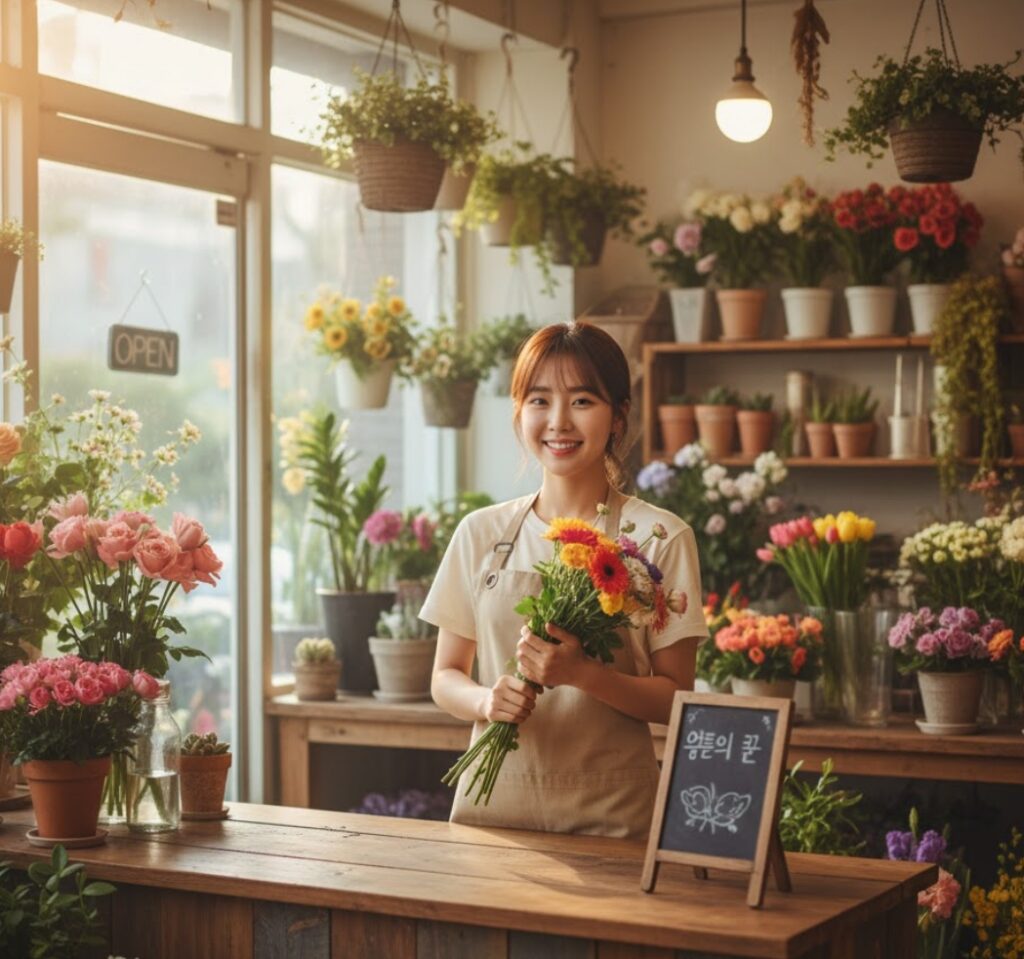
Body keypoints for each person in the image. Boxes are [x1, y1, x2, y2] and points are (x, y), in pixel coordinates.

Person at [420, 320, 708, 839]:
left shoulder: (659, 537)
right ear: (518, 411)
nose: (558, 422)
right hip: (490, 819)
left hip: (613, 819)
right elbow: (445, 677)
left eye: (582, 401)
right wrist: (486, 702)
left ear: (618, 416)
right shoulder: (480, 533)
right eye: (538, 400)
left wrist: (583, 674)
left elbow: (678, 700)